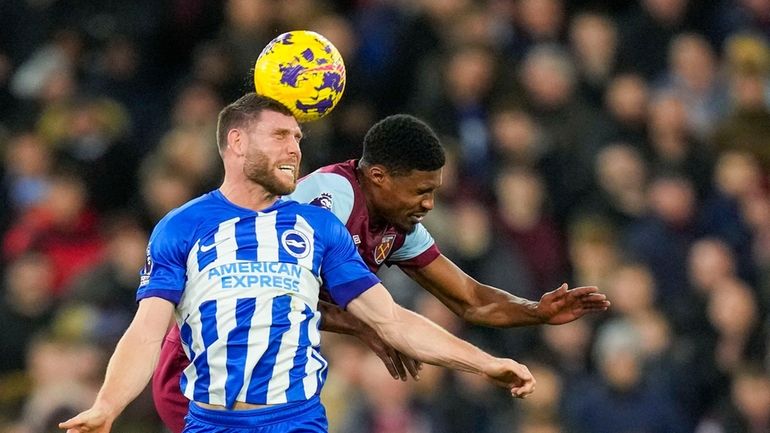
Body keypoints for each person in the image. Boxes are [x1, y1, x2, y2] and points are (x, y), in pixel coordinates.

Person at [59, 93, 536, 433]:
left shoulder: (318, 227)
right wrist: (107, 406)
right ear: (238, 143)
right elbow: (145, 333)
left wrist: (485, 363)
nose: (295, 148)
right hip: (209, 421)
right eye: (280, 136)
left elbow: (390, 318)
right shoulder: (181, 228)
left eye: (298, 137)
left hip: (297, 419)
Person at [152, 112, 610, 432]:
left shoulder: (397, 224)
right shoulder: (330, 199)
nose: (428, 204)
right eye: (421, 191)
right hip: (207, 368)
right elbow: (278, 291)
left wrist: (537, 310)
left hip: (272, 384)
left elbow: (469, 299)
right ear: (379, 177)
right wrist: (367, 327)